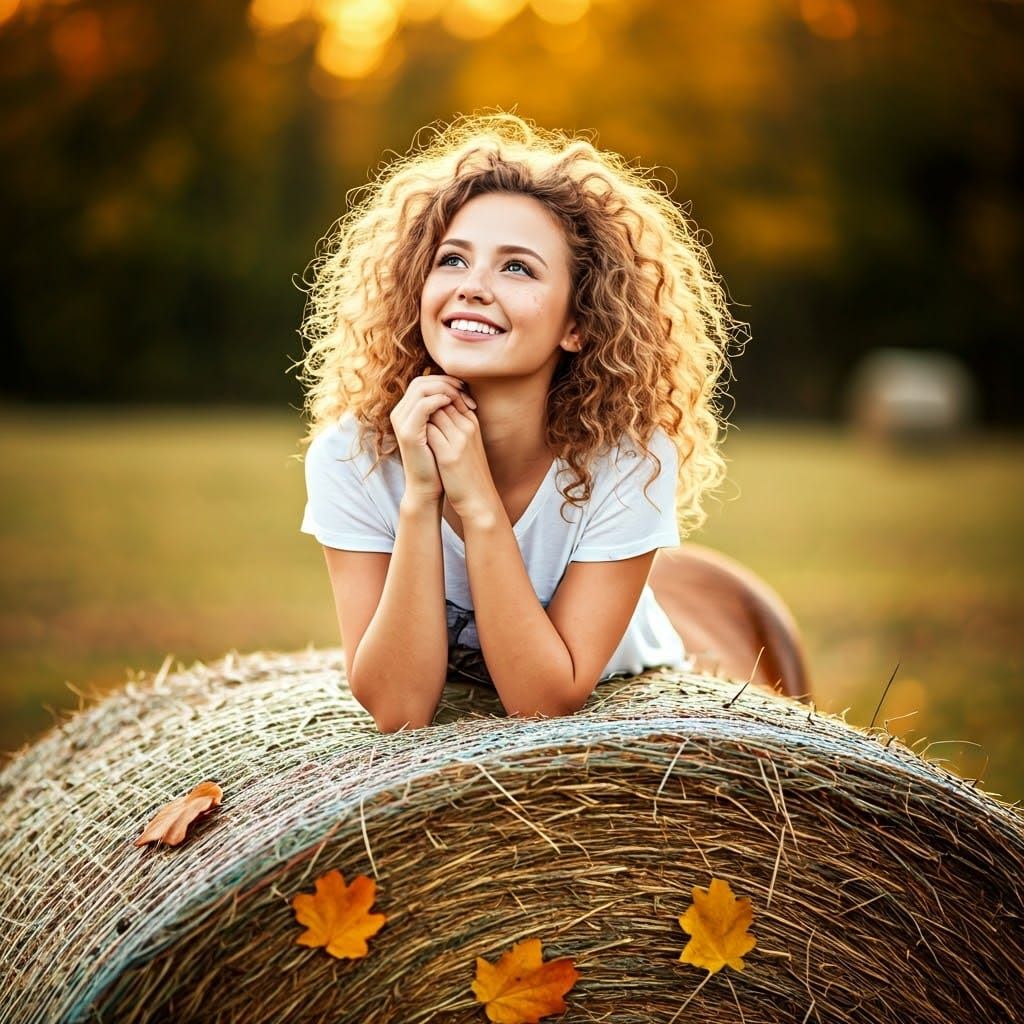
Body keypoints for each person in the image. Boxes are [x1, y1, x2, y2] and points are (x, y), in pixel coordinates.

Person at [297, 113, 809, 733]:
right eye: (452, 260)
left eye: (517, 268)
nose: (474, 288)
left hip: (628, 707)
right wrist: (422, 496)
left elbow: (542, 702)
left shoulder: (628, 458)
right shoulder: (351, 455)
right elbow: (399, 709)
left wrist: (477, 500)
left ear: (579, 324)